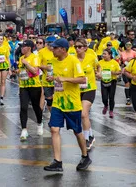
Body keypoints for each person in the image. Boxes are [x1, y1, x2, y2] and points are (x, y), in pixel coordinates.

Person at [44, 38, 92, 172]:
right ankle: (57, 161)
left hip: (72, 103)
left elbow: (82, 79)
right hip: (58, 102)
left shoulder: (73, 61)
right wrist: (52, 78)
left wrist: (64, 79)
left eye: (54, 48)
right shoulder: (53, 61)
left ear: (63, 49)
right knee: (54, 129)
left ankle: (85, 156)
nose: (52, 50)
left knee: (77, 131)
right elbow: (55, 76)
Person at [75, 37, 98, 151]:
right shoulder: (72, 59)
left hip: (90, 89)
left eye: (79, 47)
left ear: (85, 48)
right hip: (77, 90)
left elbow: (99, 67)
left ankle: (86, 138)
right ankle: (91, 134)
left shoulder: (92, 57)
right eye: (75, 47)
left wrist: (99, 73)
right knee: (83, 115)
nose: (77, 49)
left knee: (84, 114)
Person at [18, 40, 43, 141]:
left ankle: (40, 123)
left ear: (29, 48)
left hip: (34, 86)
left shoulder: (34, 57)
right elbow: (21, 71)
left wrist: (26, 63)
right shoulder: (21, 58)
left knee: (36, 106)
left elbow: (35, 71)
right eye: (21, 47)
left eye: (24, 46)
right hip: (23, 86)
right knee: (23, 107)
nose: (22, 48)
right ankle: (24, 129)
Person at [97, 49, 121, 118]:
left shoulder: (114, 63)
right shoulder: (100, 62)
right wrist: (98, 74)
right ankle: (106, 105)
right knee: (104, 97)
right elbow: (97, 71)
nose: (103, 55)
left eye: (105, 54)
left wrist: (113, 72)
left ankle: (111, 111)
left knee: (111, 97)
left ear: (110, 55)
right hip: (103, 81)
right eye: (103, 54)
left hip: (112, 81)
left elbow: (119, 71)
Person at [39, 36, 56, 112]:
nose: (51, 46)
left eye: (53, 44)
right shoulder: (42, 52)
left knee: (56, 99)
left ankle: (55, 117)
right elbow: (37, 64)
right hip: (46, 79)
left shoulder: (58, 51)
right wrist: (45, 67)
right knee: (49, 100)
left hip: (57, 79)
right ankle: (52, 113)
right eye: (50, 44)